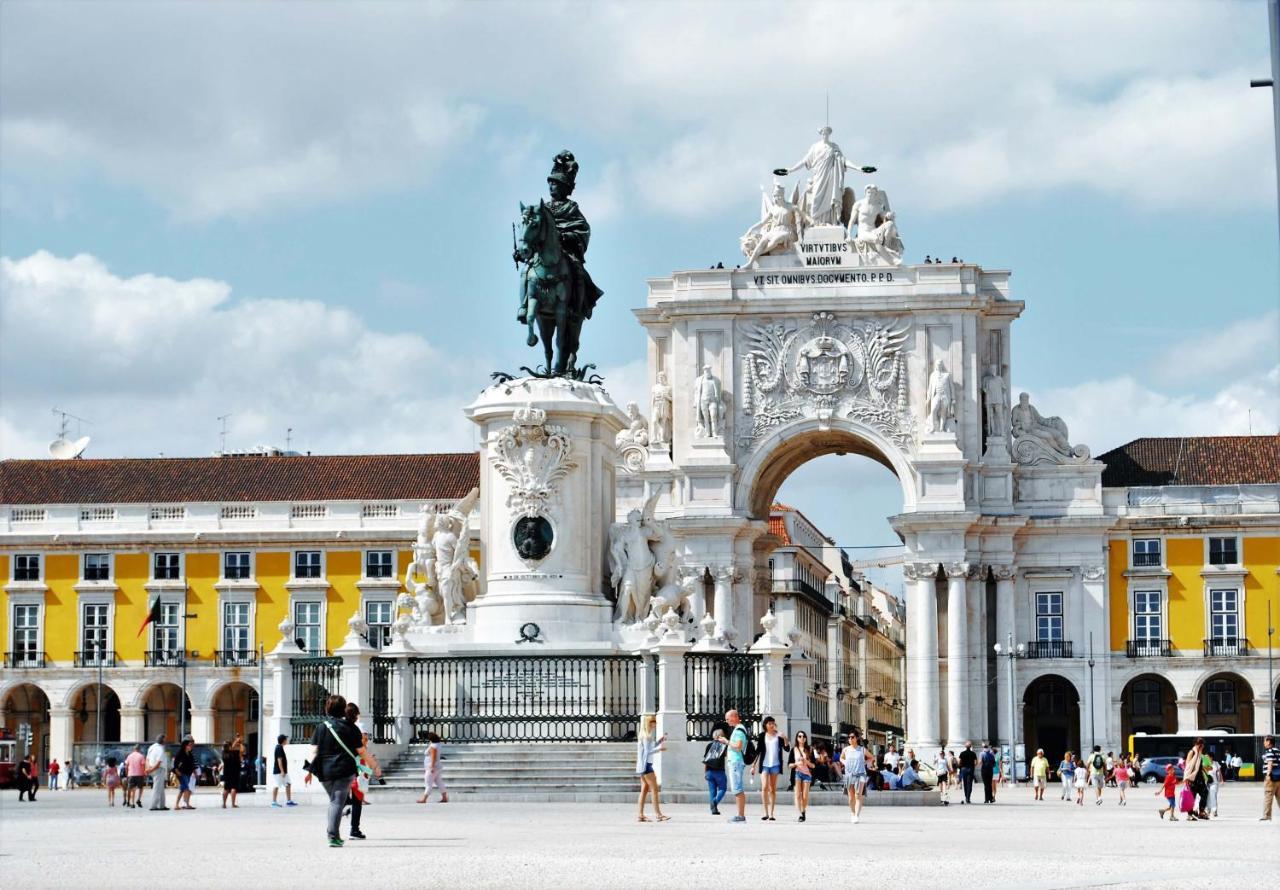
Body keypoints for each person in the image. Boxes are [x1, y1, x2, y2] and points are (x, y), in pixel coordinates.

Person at [303, 693, 364, 848]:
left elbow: (314, 751)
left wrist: (309, 771)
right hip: (345, 769)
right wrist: (374, 767)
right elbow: (361, 751)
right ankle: (333, 836)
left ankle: (333, 830)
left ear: (328, 708)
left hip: (324, 771)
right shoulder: (351, 727)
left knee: (334, 802)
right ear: (344, 709)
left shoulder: (321, 727)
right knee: (337, 802)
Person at [346, 711, 381, 840]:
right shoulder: (360, 748)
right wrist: (372, 768)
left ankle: (351, 826)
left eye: (366, 736)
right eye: (365, 736)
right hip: (358, 777)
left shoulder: (357, 746)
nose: (366, 738)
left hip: (356, 776)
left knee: (355, 802)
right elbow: (360, 764)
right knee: (357, 803)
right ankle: (354, 829)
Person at [751, 716, 788, 821]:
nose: (772, 725)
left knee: (772, 789)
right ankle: (765, 812)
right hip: (764, 765)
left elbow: (787, 748)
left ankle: (771, 813)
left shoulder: (778, 736)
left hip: (775, 765)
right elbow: (758, 751)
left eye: (773, 723)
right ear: (765, 725)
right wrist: (753, 765)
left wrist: (785, 738)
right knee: (764, 787)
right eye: (769, 723)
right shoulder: (762, 736)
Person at [633, 715, 668, 822]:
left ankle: (641, 814)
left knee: (644, 790)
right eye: (654, 721)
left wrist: (659, 741)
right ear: (649, 723)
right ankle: (658, 814)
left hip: (642, 766)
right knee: (654, 789)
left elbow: (648, 748)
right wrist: (660, 750)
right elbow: (648, 751)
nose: (655, 723)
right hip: (647, 766)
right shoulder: (647, 736)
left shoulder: (644, 735)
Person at [724, 709, 750, 823]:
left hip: (736, 762)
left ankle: (740, 816)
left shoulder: (739, 730)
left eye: (727, 718)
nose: (726, 721)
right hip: (735, 761)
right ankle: (740, 815)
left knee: (737, 788)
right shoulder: (738, 729)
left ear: (734, 717)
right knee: (737, 788)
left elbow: (738, 746)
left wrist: (727, 742)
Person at [841, 731, 870, 824]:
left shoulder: (862, 749)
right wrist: (844, 762)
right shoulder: (845, 750)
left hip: (860, 774)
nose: (850, 739)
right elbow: (841, 758)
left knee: (858, 795)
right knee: (850, 797)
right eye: (849, 737)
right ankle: (853, 814)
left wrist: (864, 763)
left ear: (856, 738)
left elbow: (871, 757)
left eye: (852, 737)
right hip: (849, 774)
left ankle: (857, 815)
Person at [416, 730, 449, 805]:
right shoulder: (438, 744)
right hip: (437, 766)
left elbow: (433, 757)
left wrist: (432, 767)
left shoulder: (433, 746)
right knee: (439, 782)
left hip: (432, 767)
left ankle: (424, 799)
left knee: (428, 782)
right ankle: (444, 797)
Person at [701, 726, 728, 815]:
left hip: (709, 771)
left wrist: (705, 772)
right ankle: (715, 802)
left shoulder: (709, 745)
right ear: (721, 736)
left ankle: (714, 810)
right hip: (719, 771)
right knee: (723, 789)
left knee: (712, 791)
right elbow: (726, 755)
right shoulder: (723, 745)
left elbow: (706, 759)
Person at [789, 730, 814, 821]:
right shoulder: (793, 750)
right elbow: (789, 765)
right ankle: (801, 814)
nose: (802, 738)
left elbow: (813, 765)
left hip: (807, 774)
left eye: (803, 736)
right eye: (799, 736)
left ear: (806, 738)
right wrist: (796, 763)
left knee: (805, 796)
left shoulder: (810, 749)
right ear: (797, 738)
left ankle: (803, 810)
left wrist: (806, 761)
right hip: (797, 773)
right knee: (797, 795)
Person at [271, 733, 296, 807]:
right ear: (283, 740)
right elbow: (279, 760)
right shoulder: (278, 748)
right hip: (279, 772)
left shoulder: (280, 747)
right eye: (286, 739)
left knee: (288, 784)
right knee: (276, 785)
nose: (287, 740)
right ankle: (274, 802)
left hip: (283, 771)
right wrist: (282, 771)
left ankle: (289, 801)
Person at [145, 733, 169, 811]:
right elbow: (159, 763)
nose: (166, 740)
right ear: (163, 740)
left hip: (152, 768)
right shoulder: (161, 749)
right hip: (158, 770)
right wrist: (151, 769)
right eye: (165, 738)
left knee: (161, 787)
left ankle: (162, 805)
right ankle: (153, 805)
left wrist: (148, 768)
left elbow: (147, 759)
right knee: (156, 788)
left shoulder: (151, 747)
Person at [173, 738, 197, 810]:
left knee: (182, 789)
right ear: (185, 746)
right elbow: (175, 763)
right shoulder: (180, 753)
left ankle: (177, 804)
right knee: (186, 788)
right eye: (189, 745)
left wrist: (194, 771)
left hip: (188, 773)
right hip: (181, 773)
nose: (191, 746)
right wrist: (177, 771)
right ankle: (186, 804)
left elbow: (192, 764)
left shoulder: (189, 753)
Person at [1260, 734, 1280, 821]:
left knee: (1268, 796)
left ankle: (1267, 816)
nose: (1264, 743)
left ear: (1268, 742)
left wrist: (1268, 775)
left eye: (1264, 741)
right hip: (1279, 777)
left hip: (1271, 778)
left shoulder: (1269, 751)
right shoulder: (1278, 751)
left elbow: (1270, 763)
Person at [221, 736, 243, 809]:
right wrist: (238, 743)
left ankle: (224, 804)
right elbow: (242, 750)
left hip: (226, 772)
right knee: (233, 787)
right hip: (235, 772)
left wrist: (235, 742)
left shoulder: (224, 753)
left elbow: (230, 749)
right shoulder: (235, 753)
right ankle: (233, 804)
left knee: (226, 788)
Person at [123, 744, 145, 808]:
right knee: (141, 788)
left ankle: (132, 803)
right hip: (139, 774)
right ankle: (138, 799)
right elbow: (143, 766)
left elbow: (126, 766)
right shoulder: (141, 756)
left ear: (134, 749)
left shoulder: (129, 756)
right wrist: (144, 774)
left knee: (132, 789)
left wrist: (127, 774)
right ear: (139, 749)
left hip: (131, 774)